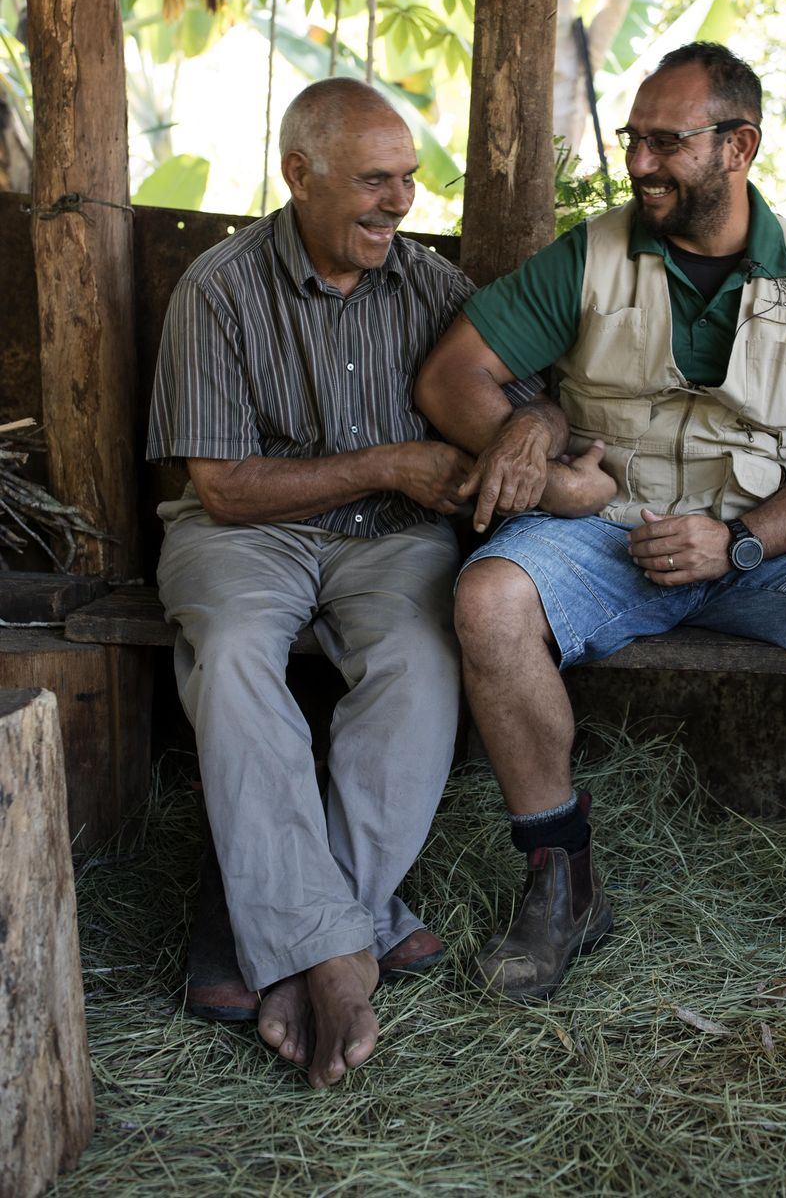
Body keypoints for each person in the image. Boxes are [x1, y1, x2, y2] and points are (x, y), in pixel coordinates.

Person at [415, 42, 786, 1016]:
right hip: (608, 529)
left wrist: (741, 541)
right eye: (633, 140)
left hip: (769, 543)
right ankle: (562, 884)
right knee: (488, 598)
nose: (641, 163)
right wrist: (541, 462)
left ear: (737, 147)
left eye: (667, 142)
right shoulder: (591, 255)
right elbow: (451, 374)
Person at [146, 77, 565, 1088]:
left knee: (423, 660)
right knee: (237, 656)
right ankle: (348, 946)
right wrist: (385, 461)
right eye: (374, 181)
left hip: (390, 543)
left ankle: (279, 936)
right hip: (248, 533)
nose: (398, 203)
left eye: (408, 180)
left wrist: (531, 427)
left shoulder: (432, 288)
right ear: (299, 175)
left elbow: (541, 410)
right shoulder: (219, 287)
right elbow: (224, 487)